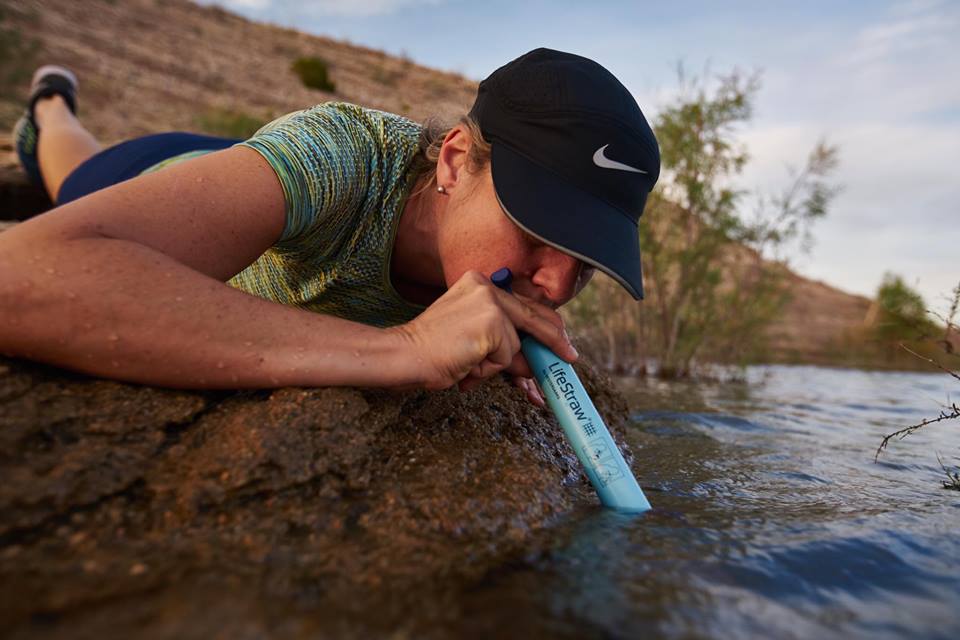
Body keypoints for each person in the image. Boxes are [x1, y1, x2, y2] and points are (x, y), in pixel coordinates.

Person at [0, 48, 660, 407]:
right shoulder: (343, 159)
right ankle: (52, 100)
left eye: (586, 259)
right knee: (70, 162)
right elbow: (19, 274)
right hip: (162, 170)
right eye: (540, 228)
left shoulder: (503, 273)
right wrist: (406, 347)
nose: (555, 282)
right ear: (455, 161)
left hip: (256, 179)